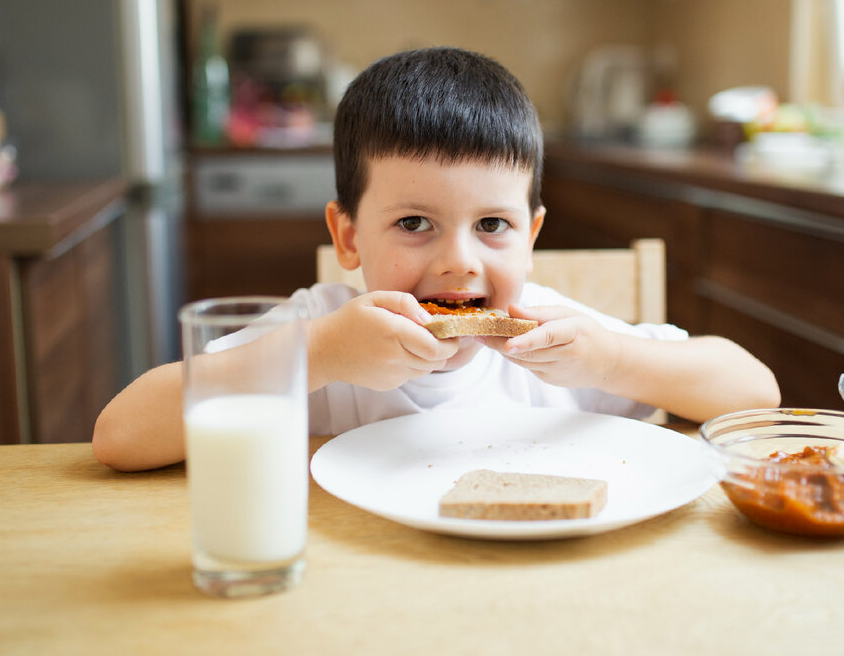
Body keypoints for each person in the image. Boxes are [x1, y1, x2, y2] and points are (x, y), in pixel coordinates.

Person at [93, 47, 779, 471]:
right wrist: (320, 355)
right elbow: (121, 435)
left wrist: (611, 361)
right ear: (350, 237)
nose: (459, 263)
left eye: (493, 225)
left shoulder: (557, 342)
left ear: (532, 236)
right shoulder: (325, 331)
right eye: (415, 223)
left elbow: (754, 392)